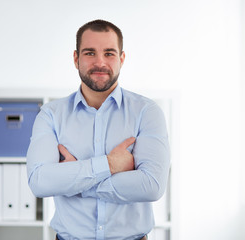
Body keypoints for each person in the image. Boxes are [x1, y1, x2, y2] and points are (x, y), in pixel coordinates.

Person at [26, 19, 170, 240]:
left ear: (122, 58)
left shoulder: (147, 112)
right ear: (76, 58)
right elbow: (39, 181)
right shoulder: (51, 114)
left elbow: (152, 186)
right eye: (90, 53)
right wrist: (110, 165)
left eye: (110, 53)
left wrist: (76, 181)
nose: (100, 62)